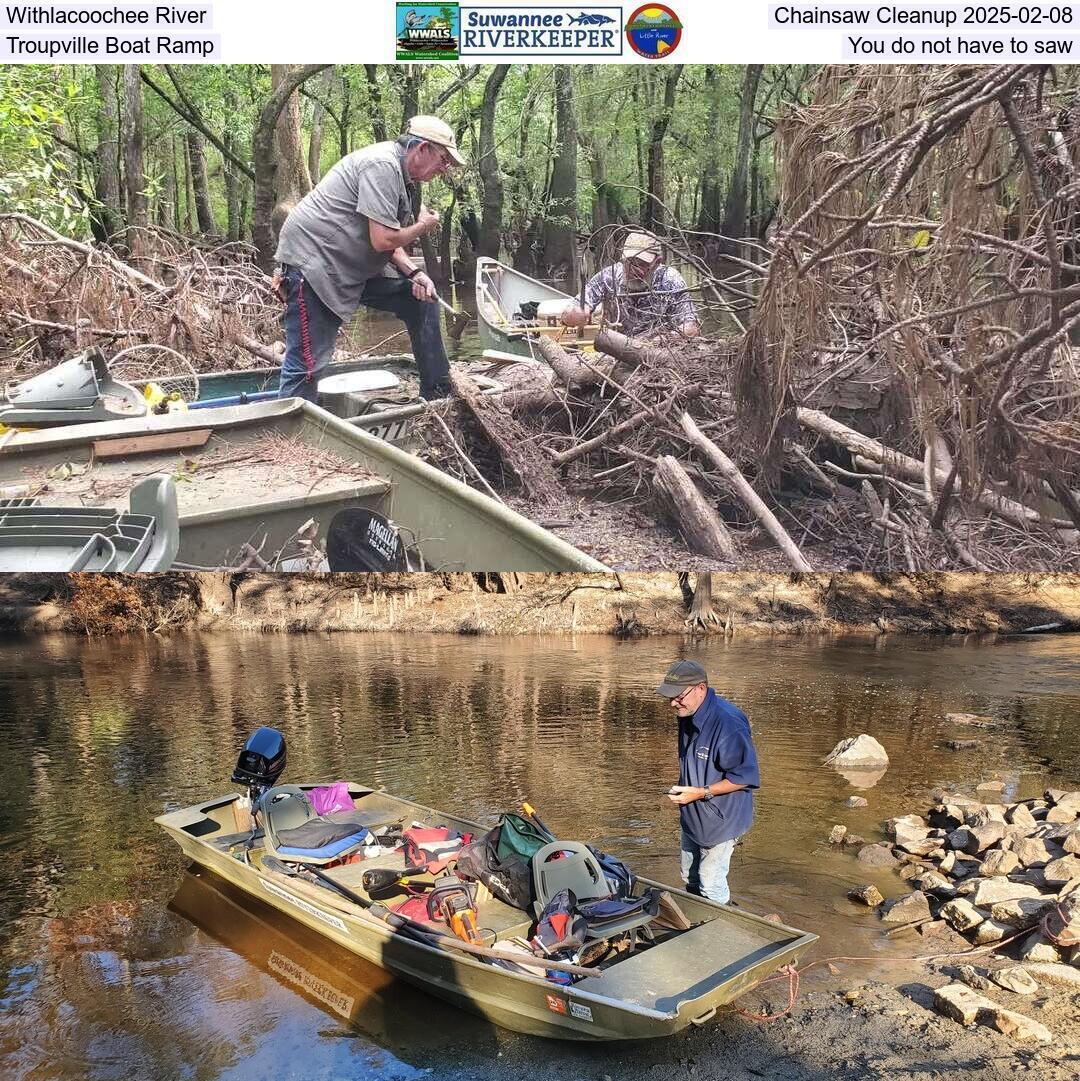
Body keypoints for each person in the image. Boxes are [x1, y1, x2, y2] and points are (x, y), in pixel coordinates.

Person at [274, 115, 465, 402]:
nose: (444, 168)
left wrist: (415, 274)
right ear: (422, 149)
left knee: (422, 299)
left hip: (352, 266)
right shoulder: (382, 166)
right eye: (443, 159)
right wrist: (423, 226)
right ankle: (291, 437)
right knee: (307, 365)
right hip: (315, 264)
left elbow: (387, 239)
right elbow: (384, 239)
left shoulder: (406, 178)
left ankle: (438, 398)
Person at [656, 659, 760, 905]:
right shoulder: (687, 712)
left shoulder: (728, 723)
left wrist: (700, 791)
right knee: (689, 876)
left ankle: (721, 928)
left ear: (700, 688)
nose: (673, 703)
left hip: (723, 817)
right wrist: (685, 790)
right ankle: (696, 916)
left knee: (710, 880)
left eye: (678, 696)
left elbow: (744, 777)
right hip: (692, 813)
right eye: (670, 697)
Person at [559, 231, 699, 340]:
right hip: (613, 351)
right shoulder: (610, 276)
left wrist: (659, 341)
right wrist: (574, 315)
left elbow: (691, 327)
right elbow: (567, 313)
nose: (633, 269)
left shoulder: (671, 280)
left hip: (657, 354)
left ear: (657, 262)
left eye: (641, 264)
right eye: (629, 262)